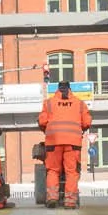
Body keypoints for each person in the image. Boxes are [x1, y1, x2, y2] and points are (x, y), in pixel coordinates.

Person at [37, 77, 90, 207]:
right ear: (70, 89)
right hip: (73, 143)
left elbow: (42, 121)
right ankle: (70, 201)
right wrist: (80, 129)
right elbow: (87, 122)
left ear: (57, 89)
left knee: (53, 170)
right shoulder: (79, 103)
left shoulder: (48, 103)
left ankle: (52, 198)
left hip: (53, 142)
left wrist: (46, 130)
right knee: (71, 171)